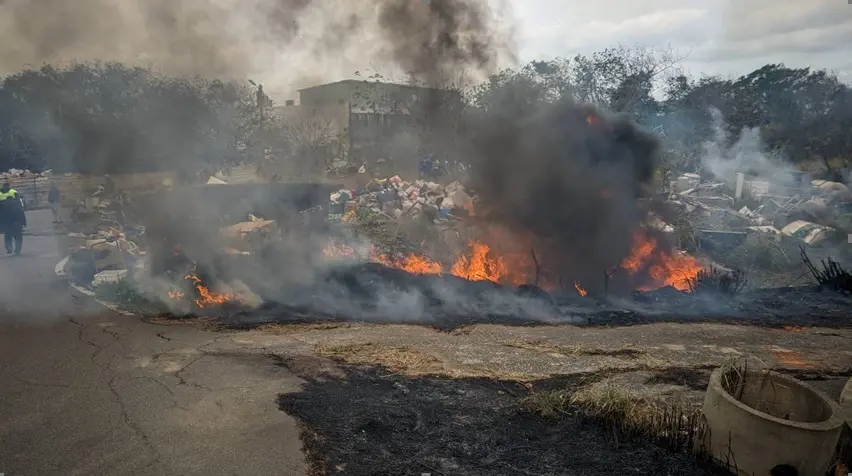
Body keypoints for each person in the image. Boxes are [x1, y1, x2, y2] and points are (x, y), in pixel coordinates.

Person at [0, 183, 25, 255]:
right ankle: (17, 250)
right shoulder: (16, 204)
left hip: (7, 223)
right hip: (16, 222)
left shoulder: (3, 206)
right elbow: (21, 213)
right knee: (18, 236)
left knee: (8, 235)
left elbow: (1, 216)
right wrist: (23, 223)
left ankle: (9, 249)